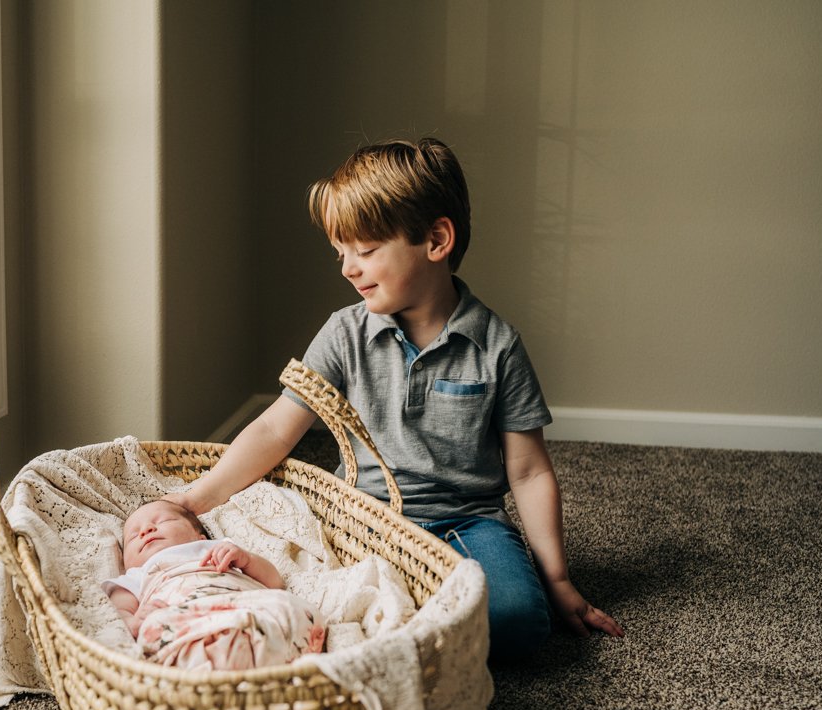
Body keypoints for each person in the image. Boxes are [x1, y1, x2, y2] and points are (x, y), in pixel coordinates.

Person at [164, 137, 624, 661]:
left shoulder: (498, 346)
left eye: (365, 251)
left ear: (435, 239)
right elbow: (274, 429)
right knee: (284, 598)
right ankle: (411, 621)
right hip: (360, 519)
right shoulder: (344, 334)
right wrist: (194, 498)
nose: (347, 269)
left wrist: (558, 578)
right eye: (341, 253)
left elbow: (528, 472)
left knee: (519, 622)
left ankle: (411, 620)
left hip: (466, 522)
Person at [104, 499, 325, 669]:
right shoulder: (136, 575)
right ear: (126, 561)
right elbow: (118, 610)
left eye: (163, 521)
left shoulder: (219, 547)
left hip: (244, 605)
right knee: (154, 629)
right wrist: (134, 622)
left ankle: (256, 661)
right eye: (134, 536)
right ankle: (222, 668)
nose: (146, 531)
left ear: (200, 537)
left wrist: (246, 560)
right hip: (185, 621)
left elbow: (274, 582)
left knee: (294, 607)